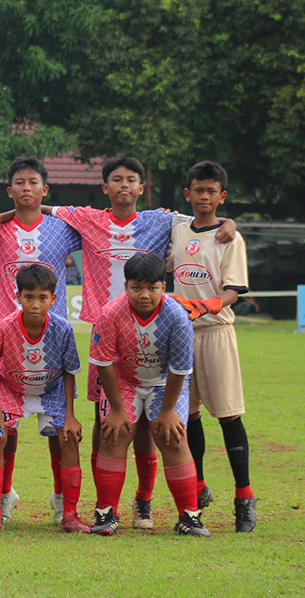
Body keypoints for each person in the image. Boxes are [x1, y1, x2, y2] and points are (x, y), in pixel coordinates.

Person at [0, 155, 234, 529]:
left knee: (152, 426)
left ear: (140, 187)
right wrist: (2, 215)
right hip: (107, 335)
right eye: (115, 179)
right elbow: (37, 203)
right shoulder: (88, 219)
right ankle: (103, 507)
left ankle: (144, 503)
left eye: (131, 179)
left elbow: (202, 217)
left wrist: (230, 222)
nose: (123, 186)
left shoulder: (159, 220)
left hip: (151, 335)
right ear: (105, 187)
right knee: (107, 425)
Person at [0, 156, 81, 524]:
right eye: (19, 183)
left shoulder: (63, 229)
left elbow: (103, 229)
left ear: (45, 189)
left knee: (61, 433)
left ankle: (62, 502)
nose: (27, 188)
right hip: (10, 346)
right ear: (10, 191)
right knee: (3, 433)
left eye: (33, 182)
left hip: (54, 346)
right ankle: (3, 498)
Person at [89, 253, 208, 537]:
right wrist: (117, 410)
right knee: (113, 435)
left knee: (174, 437)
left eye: (152, 288)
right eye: (137, 288)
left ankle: (189, 515)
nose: (144, 295)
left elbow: (180, 369)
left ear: (163, 287)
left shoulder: (178, 317)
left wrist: (167, 411)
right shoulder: (109, 314)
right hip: (124, 381)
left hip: (164, 383)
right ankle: (106, 512)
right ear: (126, 286)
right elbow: (104, 364)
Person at [167, 161, 255, 532]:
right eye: (198, 190)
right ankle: (198, 487)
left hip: (216, 331)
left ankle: (244, 498)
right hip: (183, 335)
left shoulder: (230, 237)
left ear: (222, 196)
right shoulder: (177, 230)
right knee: (188, 417)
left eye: (211, 191)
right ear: (187, 194)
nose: (204, 197)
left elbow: (234, 290)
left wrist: (208, 304)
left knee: (229, 414)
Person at [0, 265, 88, 533]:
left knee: (68, 438)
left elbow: (69, 372)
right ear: (18, 296)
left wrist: (70, 416)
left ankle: (68, 511)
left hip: (51, 389)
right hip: (12, 388)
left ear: (53, 298)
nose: (35, 304)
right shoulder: (5, 326)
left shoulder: (62, 328)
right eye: (29, 297)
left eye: (42, 297)